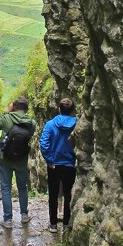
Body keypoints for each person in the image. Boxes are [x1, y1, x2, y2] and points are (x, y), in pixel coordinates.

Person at [0, 97, 35, 229]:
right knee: (22, 187)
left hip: (5, 158)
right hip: (21, 159)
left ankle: (8, 220)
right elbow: (30, 135)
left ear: (14, 107)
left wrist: (7, 112)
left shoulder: (7, 118)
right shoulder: (31, 122)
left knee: (6, 188)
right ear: (27, 109)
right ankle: (24, 215)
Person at [39, 97, 77, 233]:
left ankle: (53, 225)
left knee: (53, 195)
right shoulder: (77, 124)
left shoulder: (50, 124)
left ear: (59, 109)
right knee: (68, 195)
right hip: (70, 164)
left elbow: (43, 143)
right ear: (72, 110)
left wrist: (49, 160)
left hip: (54, 165)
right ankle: (66, 223)